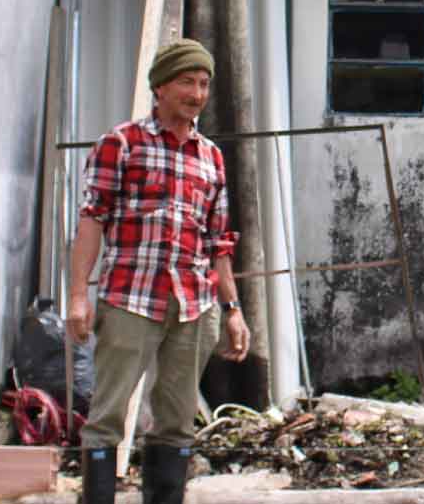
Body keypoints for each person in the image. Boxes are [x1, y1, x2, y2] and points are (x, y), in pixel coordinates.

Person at [66, 39, 250, 504]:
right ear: (160, 87)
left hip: (192, 304)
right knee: (106, 416)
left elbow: (218, 241)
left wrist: (232, 309)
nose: (197, 93)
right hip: (131, 298)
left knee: (176, 419)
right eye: (187, 81)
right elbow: (92, 220)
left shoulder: (210, 157)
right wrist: (78, 297)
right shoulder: (122, 143)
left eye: (204, 83)